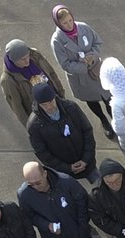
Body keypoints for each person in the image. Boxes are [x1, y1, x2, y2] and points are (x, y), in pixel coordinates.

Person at [49, 5, 114, 139]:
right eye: (65, 23)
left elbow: (97, 43)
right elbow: (65, 64)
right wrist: (83, 66)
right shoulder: (57, 41)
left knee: (108, 98)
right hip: (81, 77)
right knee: (92, 100)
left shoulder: (83, 27)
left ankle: (115, 120)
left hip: (96, 70)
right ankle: (104, 121)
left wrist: (92, 55)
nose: (69, 25)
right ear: (58, 24)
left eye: (70, 20)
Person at [18, 161, 93, 238]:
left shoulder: (66, 182)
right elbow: (29, 216)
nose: (35, 187)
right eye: (30, 184)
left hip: (79, 231)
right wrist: (46, 225)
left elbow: (82, 203)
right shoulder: (24, 194)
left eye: (38, 183)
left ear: (45, 174)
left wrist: (83, 227)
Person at [27, 81, 99, 184]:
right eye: (44, 105)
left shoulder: (71, 108)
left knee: (102, 187)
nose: (49, 107)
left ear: (55, 97)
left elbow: (87, 131)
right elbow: (42, 153)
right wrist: (67, 168)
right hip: (64, 173)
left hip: (88, 164)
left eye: (51, 102)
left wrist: (86, 159)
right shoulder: (34, 125)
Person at [1, 39, 65, 124]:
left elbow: (51, 74)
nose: (27, 61)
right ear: (13, 61)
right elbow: (17, 107)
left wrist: (61, 93)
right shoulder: (8, 80)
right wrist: (30, 126)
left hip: (56, 100)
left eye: (28, 56)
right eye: (23, 59)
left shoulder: (35, 55)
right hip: (42, 115)